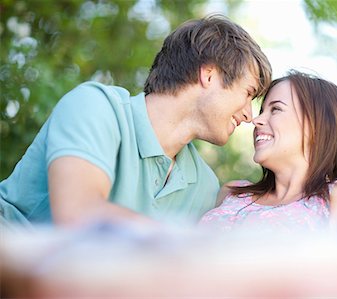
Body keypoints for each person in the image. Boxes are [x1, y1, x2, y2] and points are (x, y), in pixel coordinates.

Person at [0, 14, 272, 228]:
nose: (249, 114)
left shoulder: (204, 185)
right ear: (209, 75)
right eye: (248, 93)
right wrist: (187, 245)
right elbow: (79, 217)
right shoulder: (95, 106)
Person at [199, 70, 337, 236]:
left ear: (315, 125)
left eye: (276, 109)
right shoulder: (232, 193)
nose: (256, 120)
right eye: (262, 111)